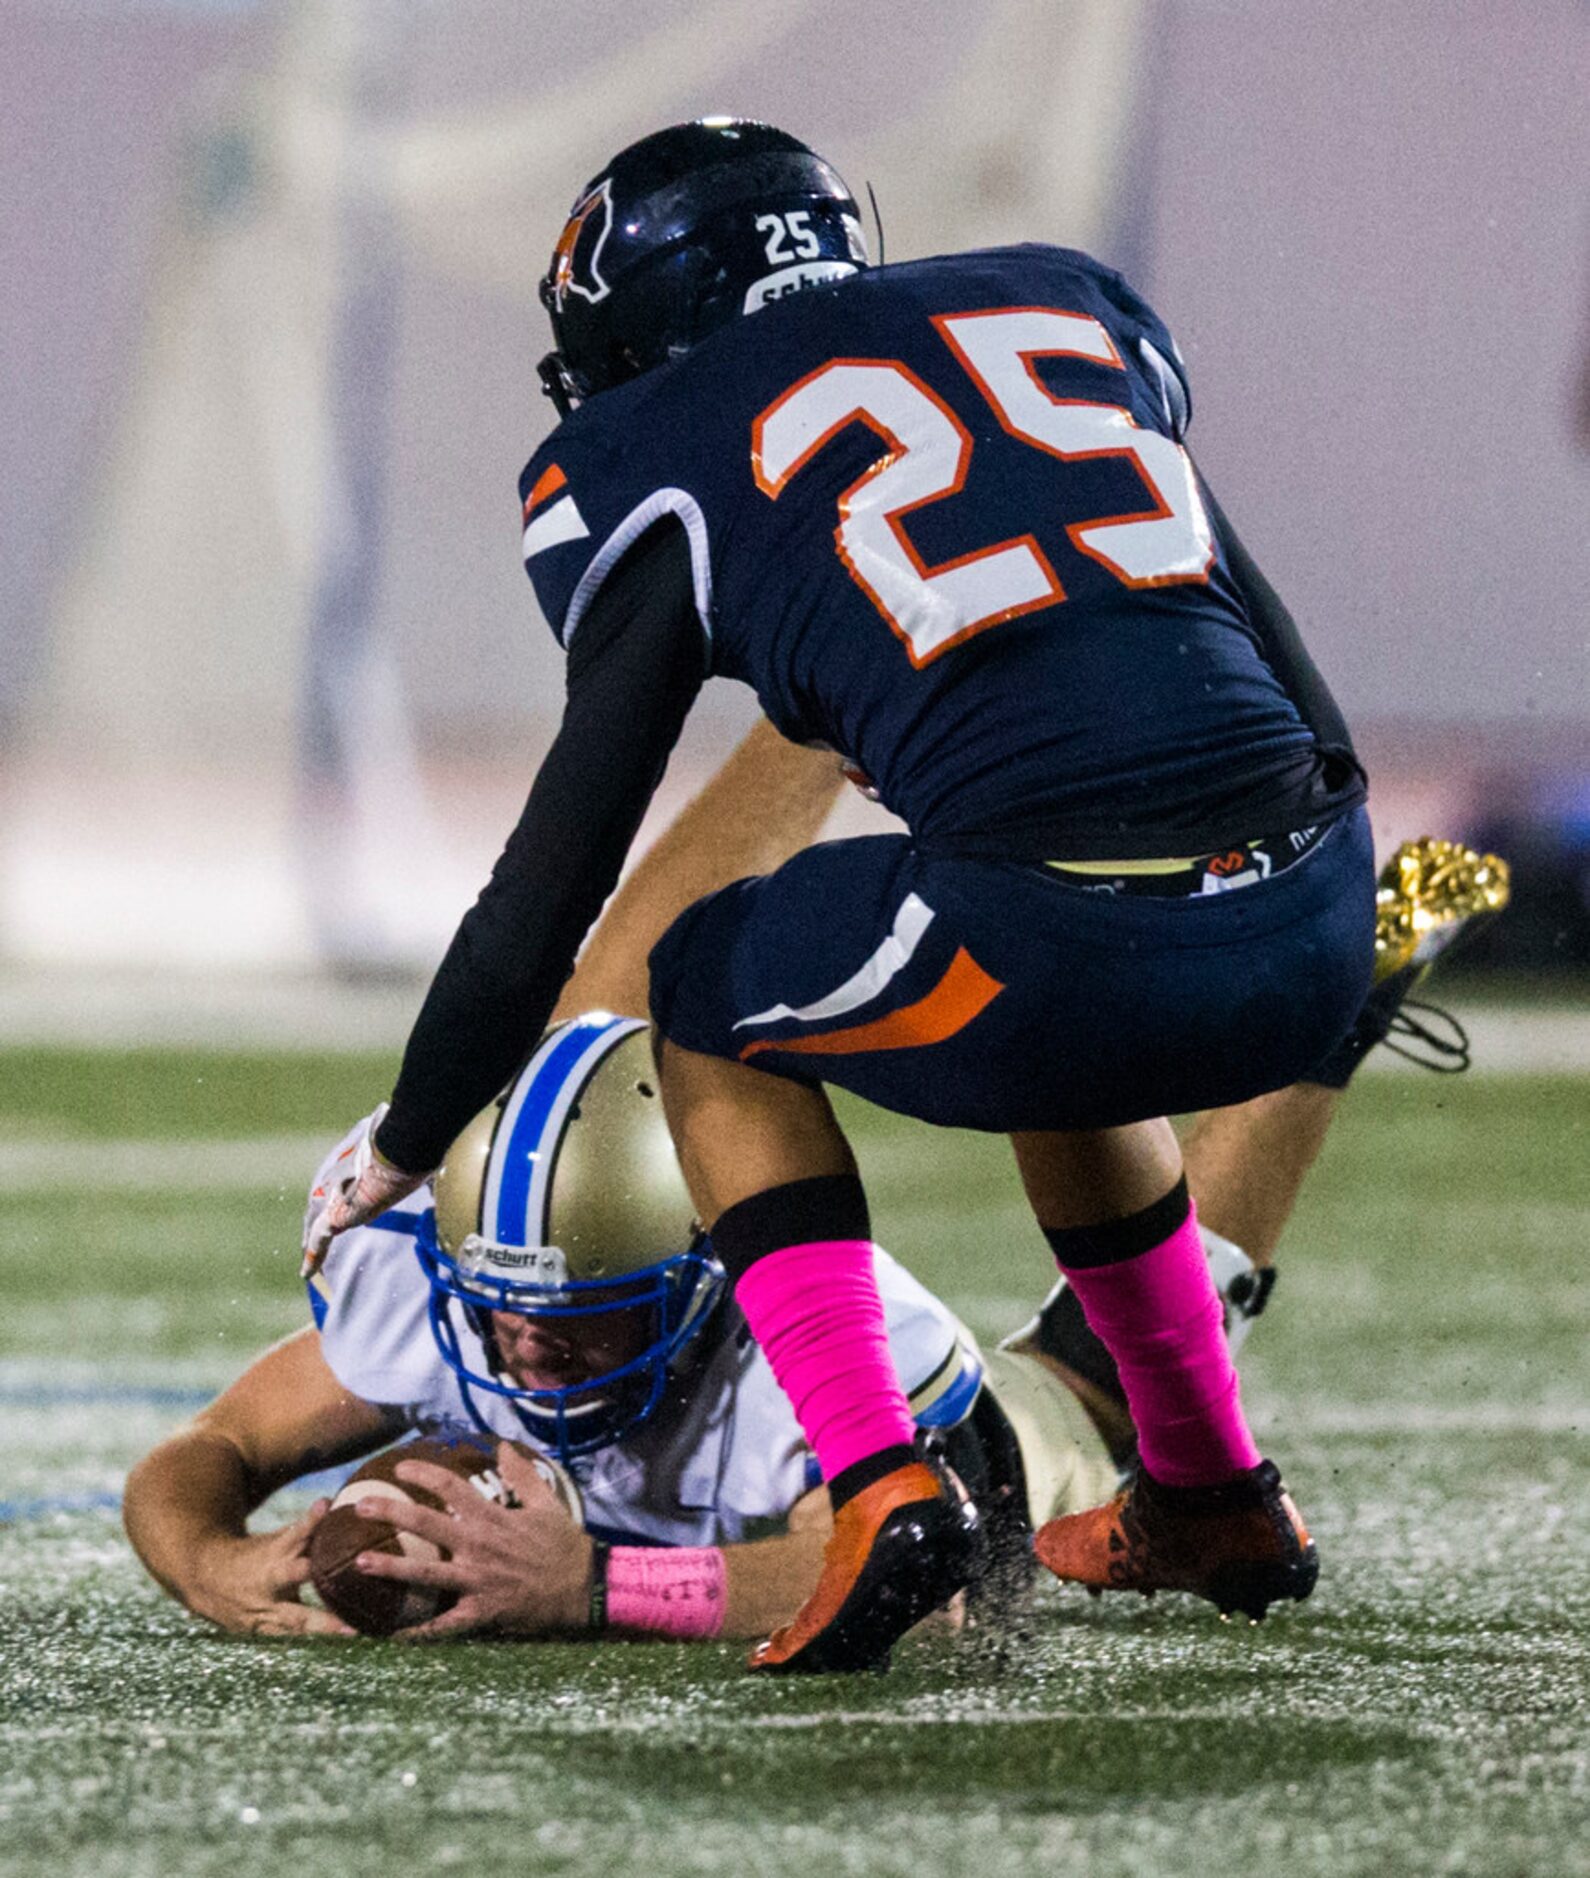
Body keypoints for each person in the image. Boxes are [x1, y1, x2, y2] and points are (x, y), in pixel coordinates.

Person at [301, 119, 1498, 1673]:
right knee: (1056, 1042)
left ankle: (877, 1484)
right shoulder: (1064, 305)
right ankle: (1206, 1485)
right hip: (1310, 897)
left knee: (701, 989)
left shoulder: (642, 448)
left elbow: (553, 889)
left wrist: (404, 1136)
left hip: (1059, 939)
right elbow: (1274, 668)